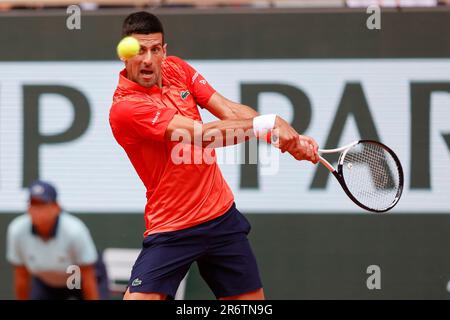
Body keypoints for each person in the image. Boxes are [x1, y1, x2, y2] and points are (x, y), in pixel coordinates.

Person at [109, 11, 319, 300]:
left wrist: (285, 136)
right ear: (125, 54)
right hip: (172, 227)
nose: (148, 59)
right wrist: (268, 124)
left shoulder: (176, 69)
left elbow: (230, 111)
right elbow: (201, 135)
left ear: (164, 51)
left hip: (220, 217)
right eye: (139, 50)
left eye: (155, 49)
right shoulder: (126, 108)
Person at [6, 180, 100, 300]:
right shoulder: (17, 230)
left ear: (57, 207)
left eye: (42, 204)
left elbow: (88, 277)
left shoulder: (74, 231)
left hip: (78, 281)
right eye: (33, 204)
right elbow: (21, 277)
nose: (37, 210)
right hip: (46, 282)